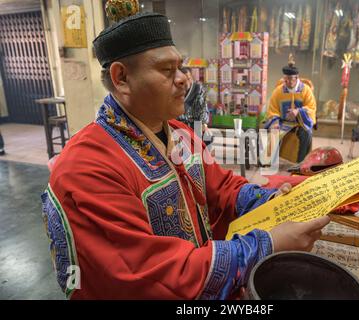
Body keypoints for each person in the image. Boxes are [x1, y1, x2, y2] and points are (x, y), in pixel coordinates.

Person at [41, 5, 329, 300]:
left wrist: (269, 202)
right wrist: (267, 244)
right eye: (167, 70)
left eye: (181, 68)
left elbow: (222, 188)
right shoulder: (86, 167)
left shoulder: (180, 133)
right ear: (121, 78)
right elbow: (153, 274)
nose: (183, 79)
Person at [265, 54, 317, 163]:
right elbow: (272, 109)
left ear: (297, 78)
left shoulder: (306, 90)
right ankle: (270, 162)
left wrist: (299, 111)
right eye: (285, 79)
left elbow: (311, 108)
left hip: (300, 122)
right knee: (274, 132)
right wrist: (274, 121)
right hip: (283, 122)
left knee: (307, 133)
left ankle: (301, 163)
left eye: (290, 79)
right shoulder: (278, 91)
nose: (287, 82)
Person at [177, 66, 212, 146]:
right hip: (178, 126)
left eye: (188, 79)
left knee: (206, 139)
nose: (187, 82)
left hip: (195, 125)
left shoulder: (198, 89)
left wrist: (203, 124)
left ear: (191, 78)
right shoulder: (175, 90)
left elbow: (202, 111)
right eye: (183, 80)